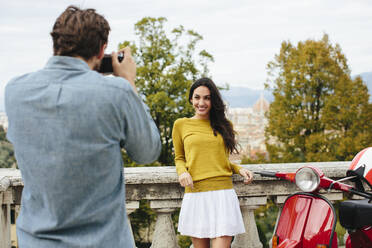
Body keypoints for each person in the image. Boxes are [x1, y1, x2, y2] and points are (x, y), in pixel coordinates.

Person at [5, 5, 161, 248]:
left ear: (56, 44)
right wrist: (129, 82)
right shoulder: (115, 93)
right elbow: (147, 151)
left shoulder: (15, 91)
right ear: (101, 50)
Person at [172, 77, 253, 248]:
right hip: (196, 194)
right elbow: (179, 158)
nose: (201, 102)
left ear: (213, 100)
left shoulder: (224, 125)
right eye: (197, 97)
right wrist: (183, 172)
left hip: (223, 194)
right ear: (191, 99)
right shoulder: (181, 125)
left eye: (207, 98)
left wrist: (239, 169)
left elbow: (220, 160)